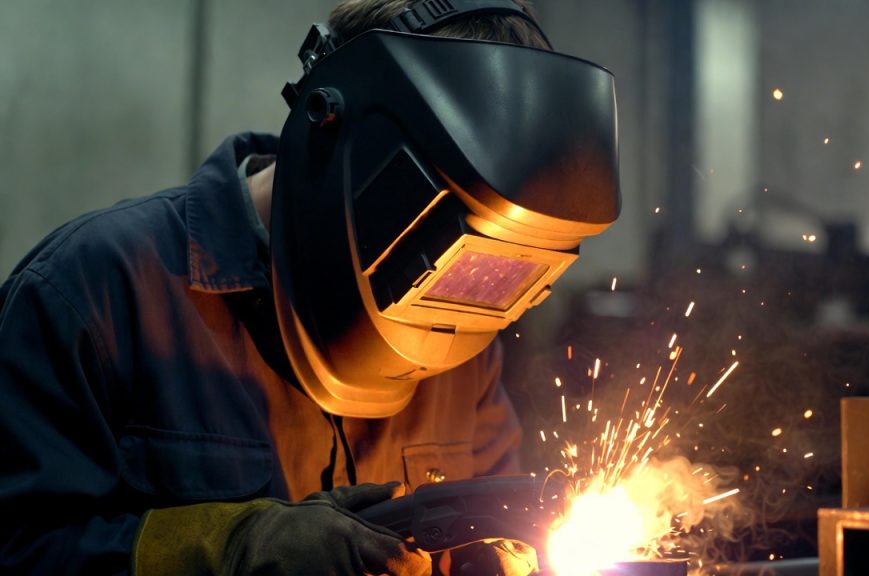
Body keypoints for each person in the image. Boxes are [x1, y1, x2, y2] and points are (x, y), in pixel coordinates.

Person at [0, 0, 619, 574]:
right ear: (344, 140)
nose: (469, 291)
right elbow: (20, 548)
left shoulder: (468, 340)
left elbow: (505, 529)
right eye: (458, 242)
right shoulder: (93, 292)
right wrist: (233, 550)